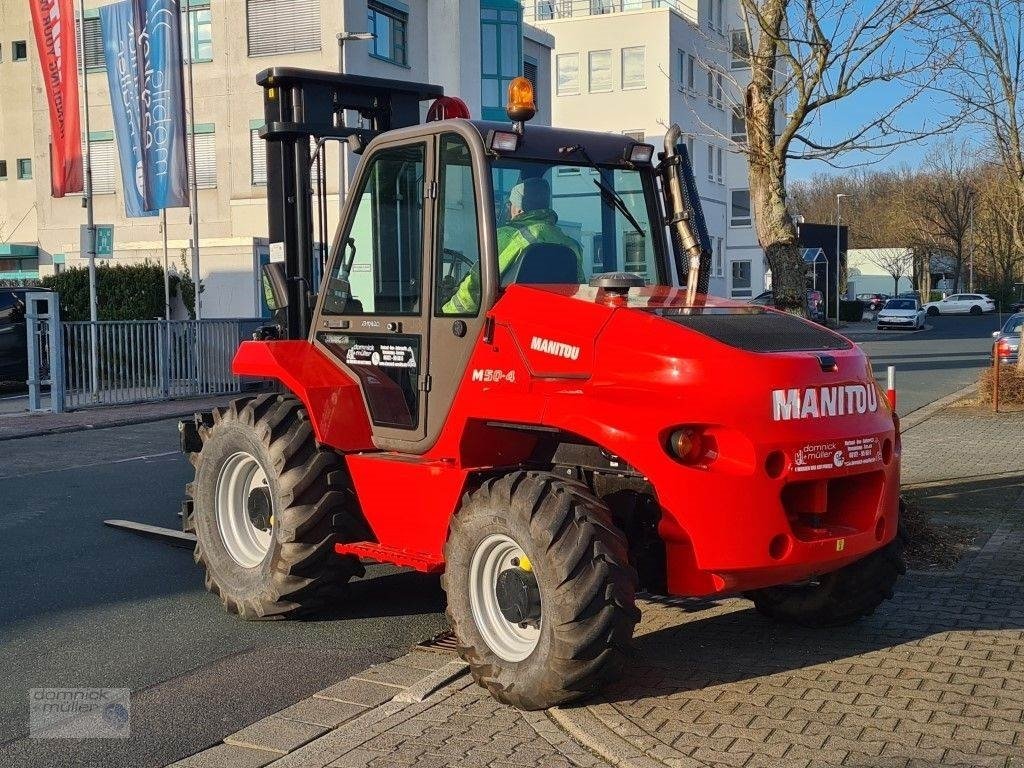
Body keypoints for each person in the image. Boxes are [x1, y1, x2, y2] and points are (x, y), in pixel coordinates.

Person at [442, 177, 583, 314]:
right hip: (553, 319)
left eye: (510, 205)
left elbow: (475, 286)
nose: (508, 210)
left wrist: (448, 313)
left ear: (519, 209)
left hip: (506, 320)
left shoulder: (508, 237)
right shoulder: (571, 245)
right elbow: (579, 290)